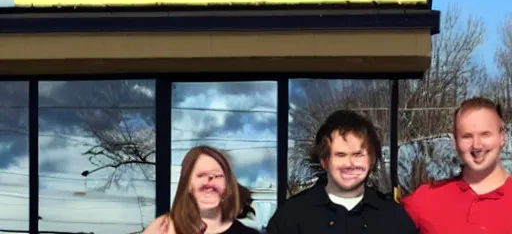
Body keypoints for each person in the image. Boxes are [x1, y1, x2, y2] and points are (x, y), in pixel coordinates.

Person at [266, 110, 416, 233]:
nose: (350, 164)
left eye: (358, 154)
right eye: (340, 155)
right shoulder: (292, 215)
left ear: (372, 160)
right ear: (324, 161)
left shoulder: (393, 217)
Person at [401, 96, 512, 233]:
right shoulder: (426, 199)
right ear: (454, 141)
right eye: (467, 136)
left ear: (502, 137)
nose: (477, 145)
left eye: (485, 134)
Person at [143, 146, 259, 234]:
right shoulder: (163, 229)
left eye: (217, 175)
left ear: (227, 185)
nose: (209, 182)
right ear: (187, 184)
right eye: (201, 175)